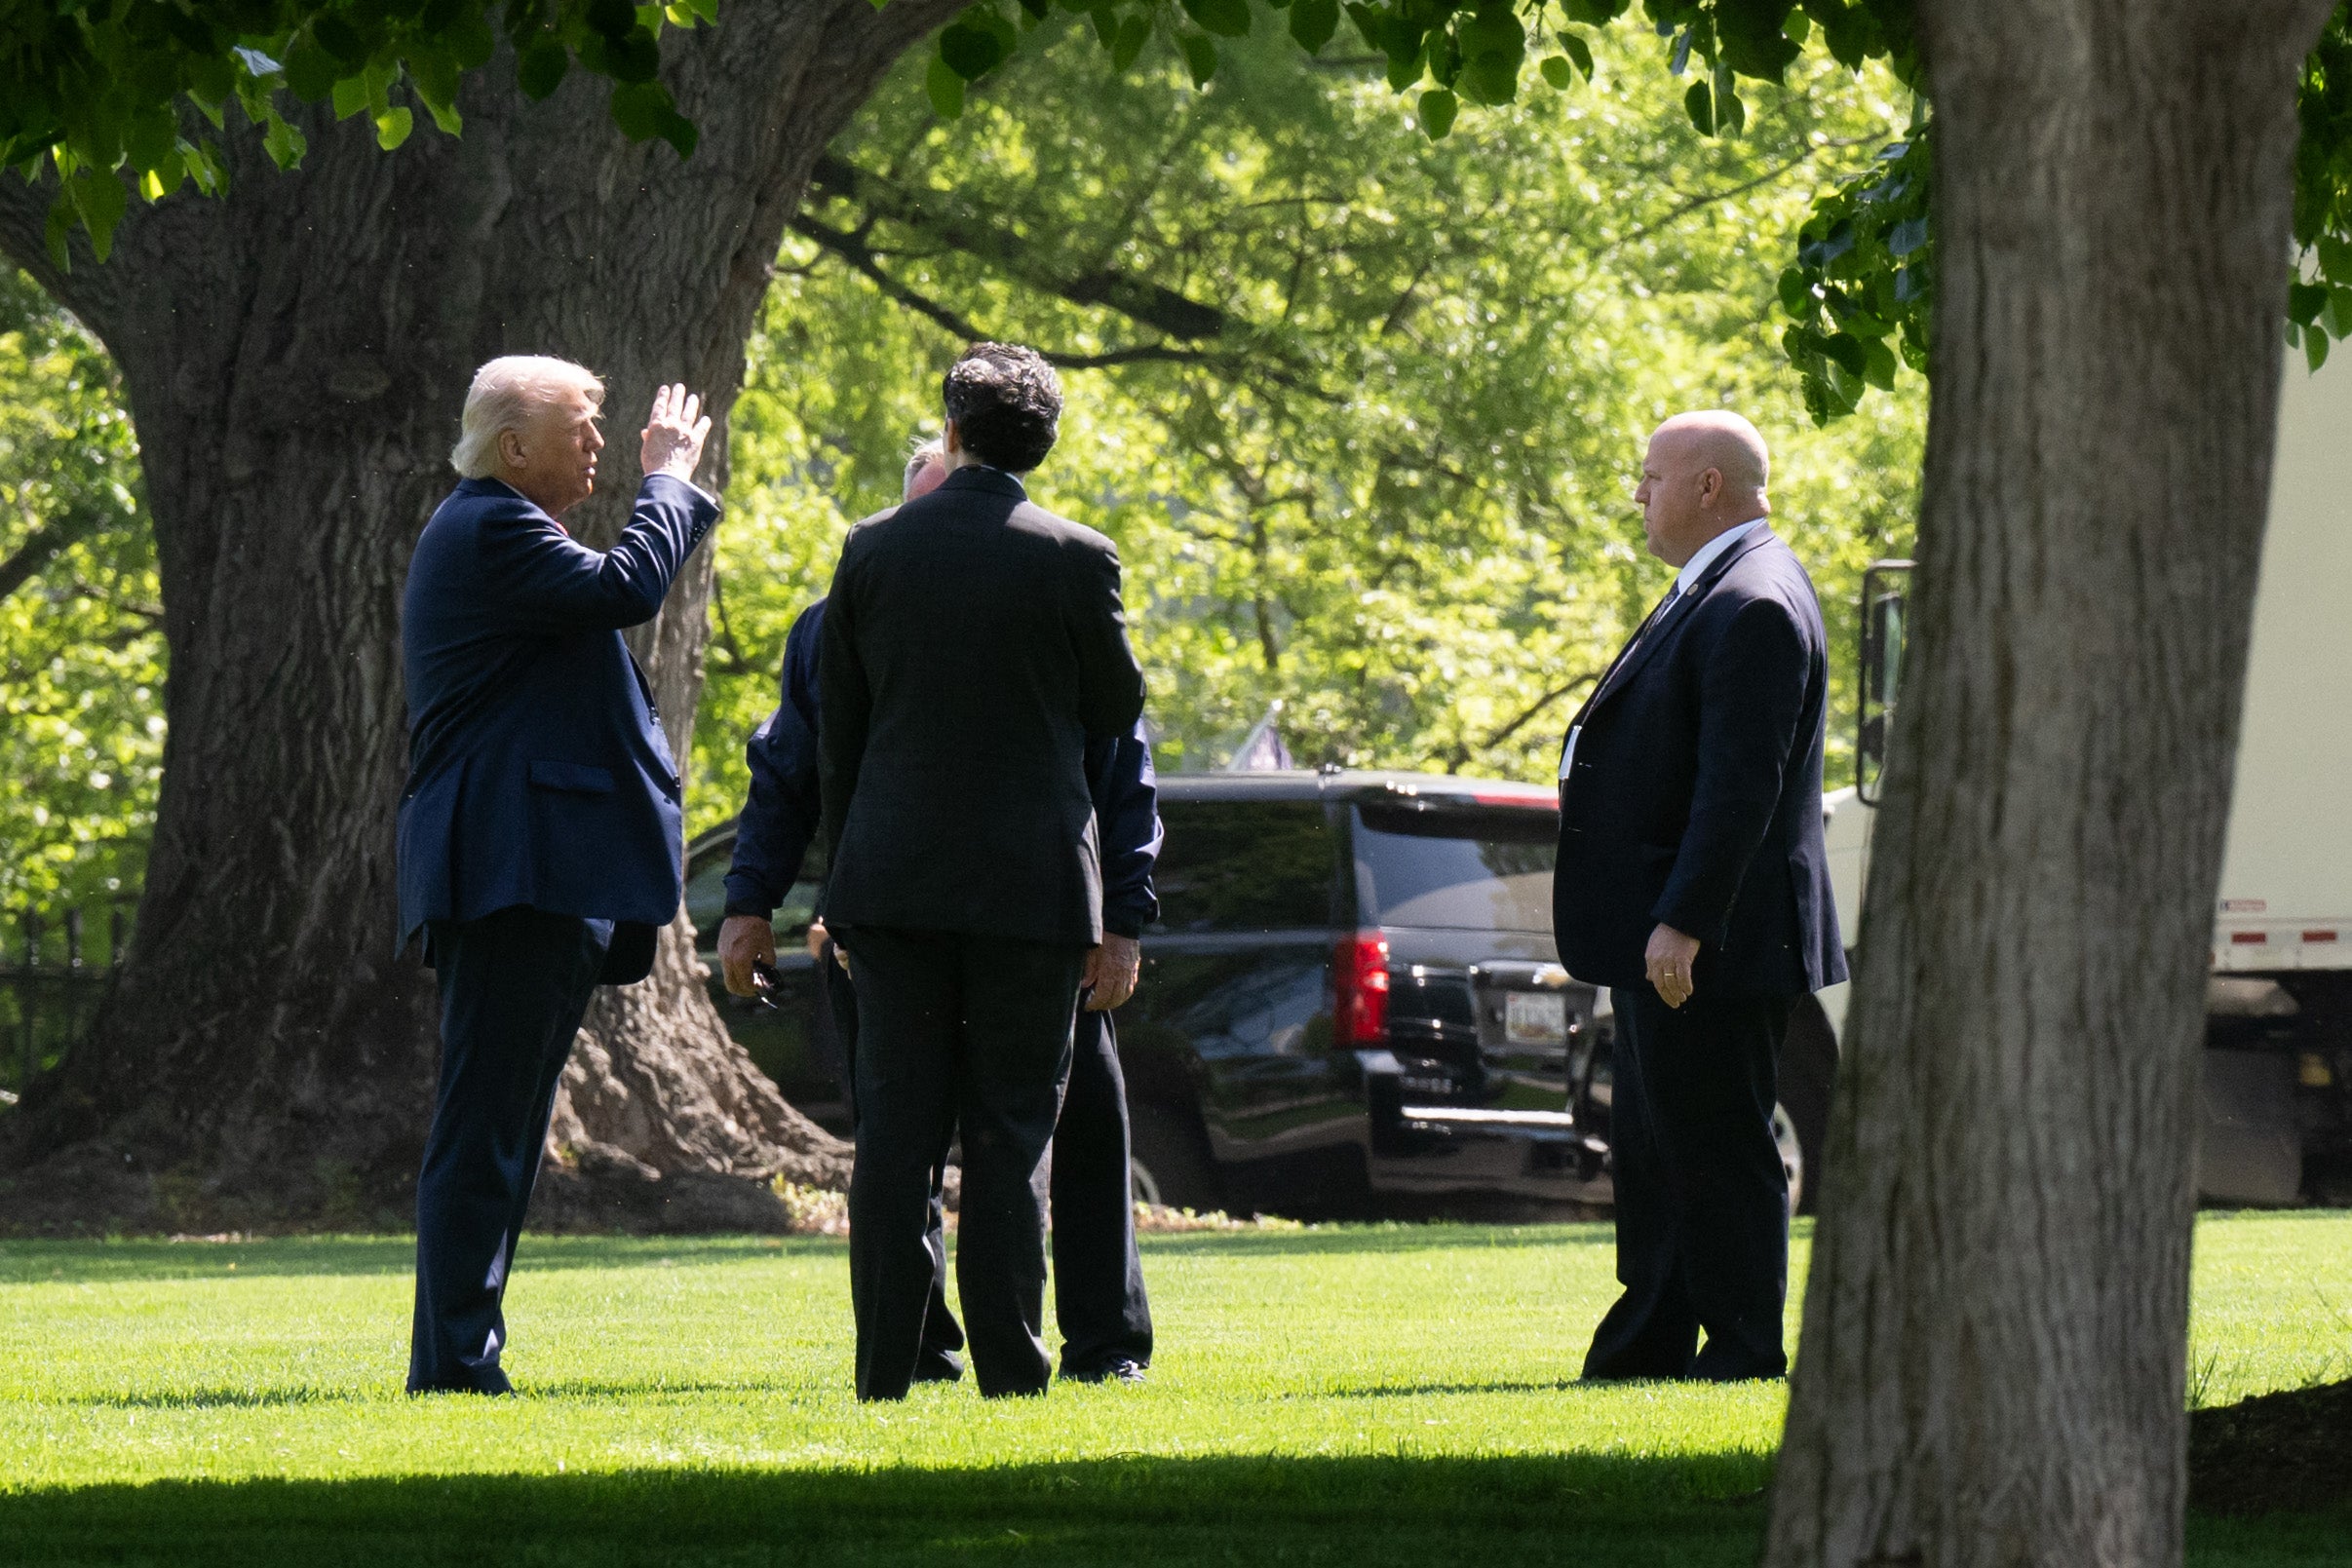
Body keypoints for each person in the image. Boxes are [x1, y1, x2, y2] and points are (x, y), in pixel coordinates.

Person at [714, 435, 1162, 1388]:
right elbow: (791, 767)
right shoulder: (845, 618)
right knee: (945, 1133)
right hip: (979, 902)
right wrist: (754, 897)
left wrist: (1123, 913)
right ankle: (937, 1350)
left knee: (1053, 1128)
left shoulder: (1041, 591)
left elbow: (1123, 763)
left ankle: (1097, 1340)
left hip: (989, 906)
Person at [818, 343, 1146, 1400]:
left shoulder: (872, 549)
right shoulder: (1075, 556)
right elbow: (1113, 709)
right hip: (1028, 888)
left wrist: (841, 881)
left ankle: (883, 1367)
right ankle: (1012, 1362)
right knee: (1011, 1133)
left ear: (950, 433)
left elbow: (840, 728)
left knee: (894, 1133)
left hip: (894, 883)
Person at [396, 359, 716, 1394]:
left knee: (504, 1131)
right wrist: (669, 479)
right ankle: (453, 1365)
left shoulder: (503, 528)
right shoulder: (490, 526)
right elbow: (627, 585)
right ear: (515, 446)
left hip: (532, 873)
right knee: (484, 1130)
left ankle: (463, 1355)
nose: (599, 444)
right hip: (509, 871)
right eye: (581, 427)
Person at [1552, 410, 1844, 1383]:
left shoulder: (1752, 599)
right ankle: (1652, 1337)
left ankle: (1744, 1346)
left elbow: (1738, 790)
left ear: (1707, 486)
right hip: (1667, 932)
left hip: (1710, 942)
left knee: (1717, 1148)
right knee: (1660, 1146)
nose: (1638, 493)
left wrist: (1683, 920)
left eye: (1650, 476)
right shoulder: (1717, 588)